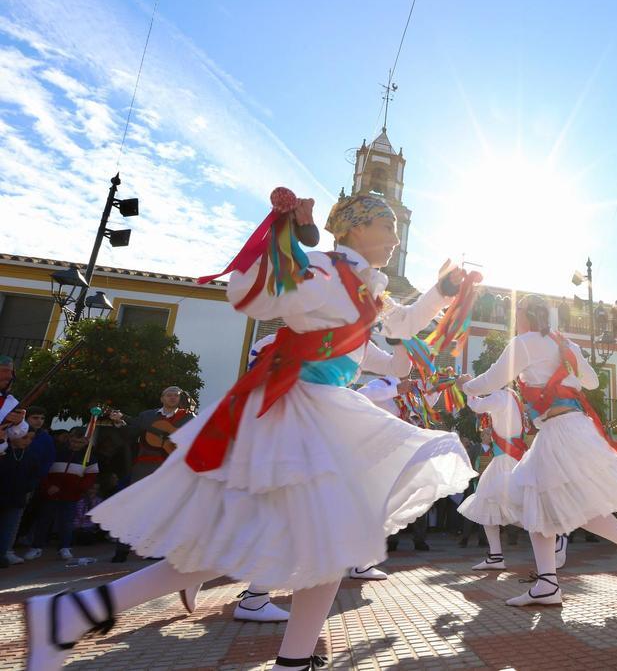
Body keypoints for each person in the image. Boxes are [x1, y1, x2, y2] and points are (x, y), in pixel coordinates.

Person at [24, 189, 477, 671]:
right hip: (296, 414)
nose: (393, 239)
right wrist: (283, 237)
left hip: (318, 412)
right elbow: (248, 293)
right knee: (295, 539)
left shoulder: (362, 285)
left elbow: (398, 328)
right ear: (356, 227)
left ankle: (77, 615)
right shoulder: (325, 271)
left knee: (324, 542)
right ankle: (72, 614)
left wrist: (444, 292)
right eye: (387, 227)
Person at [457, 294, 617, 606]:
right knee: (545, 507)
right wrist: (567, 369)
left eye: (517, 311)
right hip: (573, 428)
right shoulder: (564, 343)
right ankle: (551, 582)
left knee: (551, 504)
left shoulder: (523, 342)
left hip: (560, 432)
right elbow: (591, 382)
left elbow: (491, 380)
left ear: (523, 314)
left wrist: (466, 385)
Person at [460, 387, 568, 571]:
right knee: (487, 504)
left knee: (513, 507)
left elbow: (477, 405)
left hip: (506, 461)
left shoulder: (501, 396)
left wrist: (468, 387)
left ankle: (555, 535)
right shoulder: (511, 396)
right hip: (504, 459)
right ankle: (495, 556)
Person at [111, 387, 196, 563]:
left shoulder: (188, 417)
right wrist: (119, 422)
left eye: (176, 395)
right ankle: (122, 550)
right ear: (161, 398)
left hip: (173, 468)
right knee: (135, 507)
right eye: (169, 395)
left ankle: (157, 549)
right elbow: (130, 434)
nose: (172, 397)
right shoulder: (146, 416)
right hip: (145, 466)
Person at [26, 426, 98, 561]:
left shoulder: (90, 458)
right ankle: (36, 547)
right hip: (50, 493)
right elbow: (44, 471)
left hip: (71, 495)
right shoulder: (56, 452)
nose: (75, 445)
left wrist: (78, 488)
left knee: (66, 522)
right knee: (44, 520)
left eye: (80, 442)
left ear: (87, 442)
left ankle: (65, 547)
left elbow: (90, 477)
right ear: (69, 438)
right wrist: (48, 486)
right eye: (73, 441)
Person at [1, 428, 50, 567]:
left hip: (18, 498)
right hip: (2, 494)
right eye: (24, 438)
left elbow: (35, 476)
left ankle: (4, 553)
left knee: (10, 528)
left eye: (30, 439)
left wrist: (28, 488)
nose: (28, 441)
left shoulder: (30, 456)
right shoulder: (3, 452)